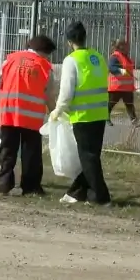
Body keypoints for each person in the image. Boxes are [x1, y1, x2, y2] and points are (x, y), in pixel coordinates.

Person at [49, 22, 111, 206]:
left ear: (69, 42)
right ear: (85, 37)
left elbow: (66, 91)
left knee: (88, 157)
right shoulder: (98, 57)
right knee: (91, 156)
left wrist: (57, 110)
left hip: (82, 115)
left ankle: (101, 197)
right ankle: (78, 192)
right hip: (100, 113)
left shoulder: (71, 60)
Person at [0, 35, 58, 196]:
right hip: (31, 117)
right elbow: (50, 94)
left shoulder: (10, 59)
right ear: (44, 52)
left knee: (7, 151)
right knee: (31, 154)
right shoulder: (44, 66)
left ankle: (4, 184)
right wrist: (54, 113)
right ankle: (30, 186)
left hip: (8, 113)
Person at [107, 38, 140, 128]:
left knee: (130, 105)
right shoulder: (115, 56)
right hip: (117, 87)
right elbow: (111, 67)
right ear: (120, 47)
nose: (128, 48)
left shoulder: (126, 57)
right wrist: (122, 71)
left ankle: (134, 121)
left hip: (126, 88)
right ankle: (105, 117)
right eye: (126, 46)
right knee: (111, 104)